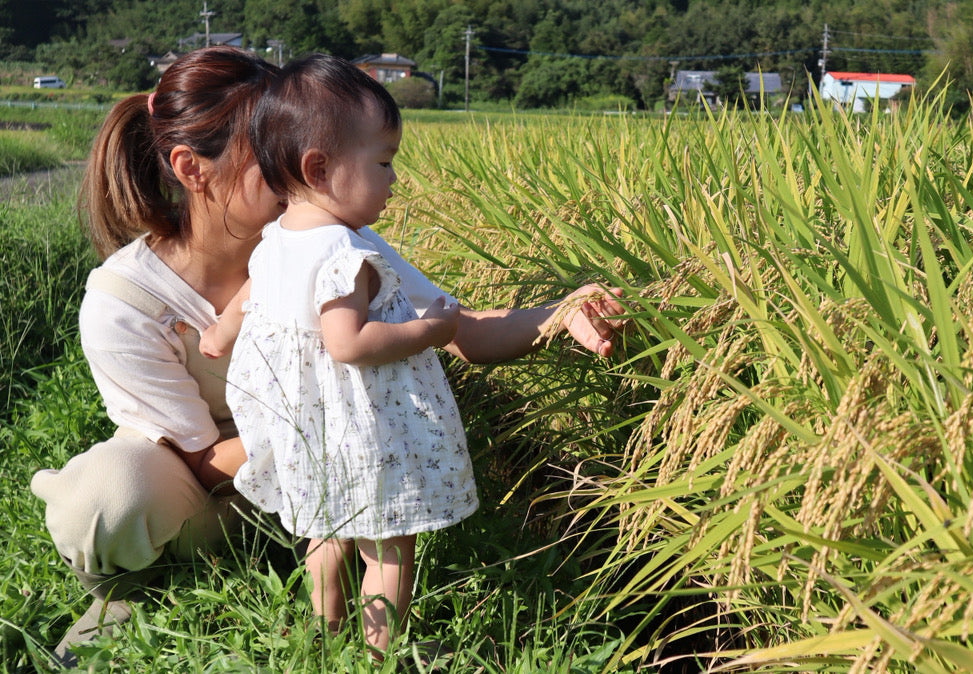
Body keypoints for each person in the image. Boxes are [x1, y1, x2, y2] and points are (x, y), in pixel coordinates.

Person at [29, 46, 626, 669]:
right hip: (218, 485)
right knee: (108, 492)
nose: (291, 171)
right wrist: (327, 437)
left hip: (312, 471)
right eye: (268, 156)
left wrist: (560, 313)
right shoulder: (124, 300)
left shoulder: (329, 241)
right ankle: (124, 591)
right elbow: (200, 462)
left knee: (341, 532)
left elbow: (463, 331)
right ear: (191, 168)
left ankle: (328, 625)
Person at [198, 53, 469, 657]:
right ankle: (379, 654)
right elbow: (347, 343)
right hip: (357, 424)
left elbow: (252, 295)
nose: (393, 180)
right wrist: (430, 332)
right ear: (319, 169)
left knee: (325, 532)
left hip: (302, 423)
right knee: (388, 543)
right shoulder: (346, 253)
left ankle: (323, 637)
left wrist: (221, 331)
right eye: (383, 163)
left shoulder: (276, 240)